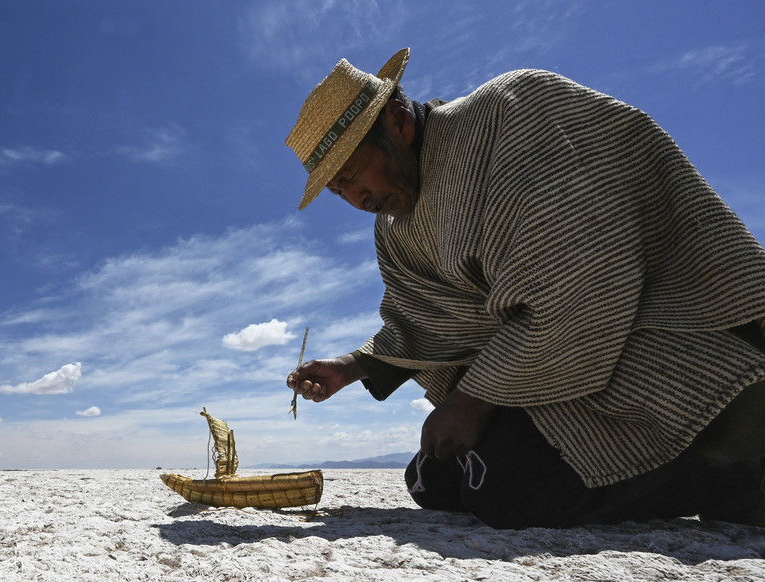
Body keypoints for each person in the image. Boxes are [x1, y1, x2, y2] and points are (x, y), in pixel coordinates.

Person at [284, 48, 765, 529]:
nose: (355, 199)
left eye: (351, 175)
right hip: (546, 371)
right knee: (432, 480)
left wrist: (471, 400)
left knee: (505, 490)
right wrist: (353, 366)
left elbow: (583, 282)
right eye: (337, 191)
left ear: (396, 119)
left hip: (664, 338)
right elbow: (426, 321)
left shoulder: (511, 112)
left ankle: (737, 467)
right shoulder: (394, 227)